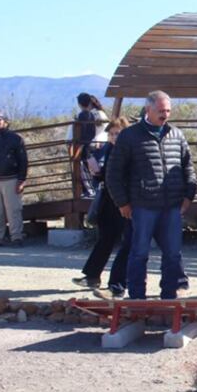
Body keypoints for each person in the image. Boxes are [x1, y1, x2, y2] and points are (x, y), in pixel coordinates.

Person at [105, 91, 197, 300]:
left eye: (168, 111)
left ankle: (169, 296)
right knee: (139, 253)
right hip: (143, 205)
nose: (165, 115)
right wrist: (122, 202)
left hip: (172, 206)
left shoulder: (177, 135)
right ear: (148, 110)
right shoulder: (130, 136)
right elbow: (114, 172)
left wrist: (188, 196)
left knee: (173, 254)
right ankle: (137, 298)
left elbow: (188, 167)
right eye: (161, 111)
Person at [73, 117, 131, 291]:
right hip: (107, 200)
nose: (114, 137)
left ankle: (121, 281)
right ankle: (92, 275)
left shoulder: (129, 152)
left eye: (117, 133)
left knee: (128, 242)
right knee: (105, 239)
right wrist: (96, 172)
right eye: (111, 134)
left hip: (124, 201)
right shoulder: (107, 150)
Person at [0, 113, 28, 248]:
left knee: (13, 209)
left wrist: (21, 179)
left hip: (11, 178)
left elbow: (23, 160)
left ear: (6, 122)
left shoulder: (15, 139)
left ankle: (17, 237)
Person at [73, 93, 109, 198]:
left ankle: (91, 191)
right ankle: (96, 190)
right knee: (94, 168)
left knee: (86, 167)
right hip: (97, 144)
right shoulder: (98, 114)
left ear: (79, 104)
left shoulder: (85, 115)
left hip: (91, 145)